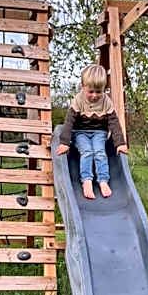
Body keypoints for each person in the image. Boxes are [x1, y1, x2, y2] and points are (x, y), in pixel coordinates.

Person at [56, 64, 128, 199]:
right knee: (87, 151)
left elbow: (114, 122)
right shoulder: (78, 100)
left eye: (99, 92)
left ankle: (103, 180)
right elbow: (69, 121)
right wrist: (64, 142)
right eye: (91, 91)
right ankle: (87, 180)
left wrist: (120, 143)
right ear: (83, 86)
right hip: (80, 132)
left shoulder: (106, 101)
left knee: (100, 152)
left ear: (104, 90)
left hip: (99, 133)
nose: (95, 96)